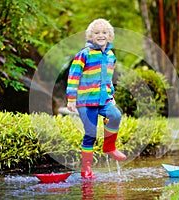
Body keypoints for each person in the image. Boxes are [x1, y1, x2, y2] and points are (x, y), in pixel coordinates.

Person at [66, 18, 126, 179]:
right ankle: (86, 169)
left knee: (115, 115)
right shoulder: (84, 54)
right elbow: (73, 77)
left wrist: (111, 96)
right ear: (91, 36)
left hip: (104, 99)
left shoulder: (111, 56)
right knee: (91, 134)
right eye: (97, 33)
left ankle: (109, 146)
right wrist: (71, 99)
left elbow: (108, 79)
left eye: (104, 32)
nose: (101, 35)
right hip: (85, 101)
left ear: (110, 36)